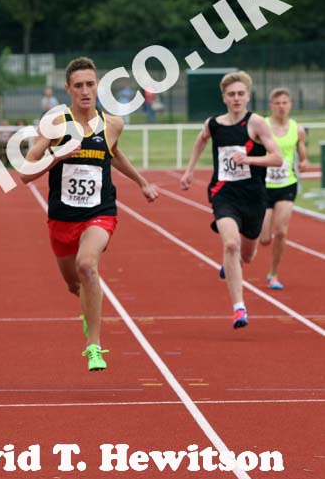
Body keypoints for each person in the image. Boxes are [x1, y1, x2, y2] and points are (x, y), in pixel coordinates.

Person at [21, 57, 159, 371]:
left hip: (100, 210)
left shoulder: (113, 123)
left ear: (98, 86)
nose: (86, 91)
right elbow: (25, 172)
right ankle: (88, 313)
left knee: (87, 265)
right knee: (75, 284)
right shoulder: (56, 124)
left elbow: (114, 152)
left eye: (91, 84)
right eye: (79, 86)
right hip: (62, 216)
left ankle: (94, 345)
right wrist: (57, 154)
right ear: (68, 89)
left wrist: (142, 183)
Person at [180, 71, 282, 329]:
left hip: (254, 196)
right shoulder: (213, 124)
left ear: (248, 96)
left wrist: (249, 159)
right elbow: (201, 140)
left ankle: (232, 263)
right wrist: (190, 170)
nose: (236, 98)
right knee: (231, 245)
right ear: (224, 97)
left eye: (240, 94)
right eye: (231, 94)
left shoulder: (256, 123)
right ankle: (239, 308)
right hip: (223, 194)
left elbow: (277, 158)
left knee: (247, 255)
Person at [258, 88, 309, 290]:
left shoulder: (297, 129)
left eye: (285, 102)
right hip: (263, 186)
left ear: (290, 105)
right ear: (271, 105)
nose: (281, 106)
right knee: (263, 239)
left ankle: (273, 274)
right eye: (277, 103)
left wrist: (304, 160)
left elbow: (302, 151)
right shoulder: (263, 126)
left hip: (286, 184)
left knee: (281, 232)